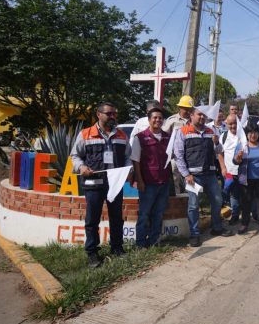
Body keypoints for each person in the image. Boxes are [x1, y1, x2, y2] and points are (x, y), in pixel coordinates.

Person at [70, 102, 132, 268]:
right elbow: (75, 156)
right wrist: (81, 167)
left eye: (114, 113)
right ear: (98, 114)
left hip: (115, 184)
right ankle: (92, 253)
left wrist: (126, 170)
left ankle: (117, 248)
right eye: (109, 113)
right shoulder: (86, 134)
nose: (112, 116)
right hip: (93, 184)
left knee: (117, 218)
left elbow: (128, 156)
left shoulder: (121, 135)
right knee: (92, 219)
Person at [173, 106, 234, 248]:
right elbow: (178, 155)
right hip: (193, 177)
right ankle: (194, 234)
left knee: (218, 200)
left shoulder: (210, 131)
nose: (201, 117)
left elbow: (219, 151)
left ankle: (216, 227)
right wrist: (186, 174)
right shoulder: (183, 132)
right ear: (192, 116)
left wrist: (217, 142)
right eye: (199, 115)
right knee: (193, 205)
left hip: (210, 175)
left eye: (203, 116)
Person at [131, 107, 171, 248]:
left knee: (158, 214)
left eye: (160, 118)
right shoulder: (140, 137)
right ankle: (140, 244)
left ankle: (154, 242)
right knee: (144, 215)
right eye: (155, 117)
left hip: (164, 182)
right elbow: (135, 161)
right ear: (149, 120)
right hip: (148, 183)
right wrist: (139, 180)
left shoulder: (168, 137)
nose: (157, 120)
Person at [233, 121, 259, 235]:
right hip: (245, 179)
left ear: (258, 133)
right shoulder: (241, 145)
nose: (253, 135)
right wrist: (238, 158)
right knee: (246, 202)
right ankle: (244, 224)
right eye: (250, 132)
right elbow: (235, 161)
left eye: (255, 132)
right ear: (246, 134)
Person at [163, 95, 194, 195]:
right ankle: (177, 200)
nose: (188, 111)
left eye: (190, 109)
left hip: (191, 156)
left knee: (190, 179)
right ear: (180, 107)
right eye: (186, 108)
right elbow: (164, 137)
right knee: (175, 178)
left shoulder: (194, 121)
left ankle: (190, 200)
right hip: (175, 156)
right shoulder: (172, 120)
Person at [220, 115, 241, 224]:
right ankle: (235, 215)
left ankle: (250, 214)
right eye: (230, 123)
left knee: (245, 194)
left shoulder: (243, 135)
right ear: (226, 124)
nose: (233, 126)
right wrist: (223, 168)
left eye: (235, 123)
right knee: (232, 193)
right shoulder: (223, 136)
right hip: (229, 172)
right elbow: (220, 153)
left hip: (243, 172)